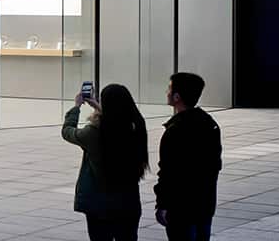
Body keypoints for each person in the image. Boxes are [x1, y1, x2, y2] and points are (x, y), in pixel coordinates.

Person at [63, 82, 149, 241]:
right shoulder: (136, 126)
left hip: (100, 204)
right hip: (128, 201)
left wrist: (76, 107)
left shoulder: (94, 132)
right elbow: (116, 122)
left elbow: (68, 132)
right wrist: (97, 107)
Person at [153, 72, 222, 240]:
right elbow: (214, 166)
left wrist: (162, 204)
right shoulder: (210, 124)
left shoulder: (175, 131)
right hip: (204, 203)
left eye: (169, 89)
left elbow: (168, 172)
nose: (166, 92)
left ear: (177, 97)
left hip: (181, 207)